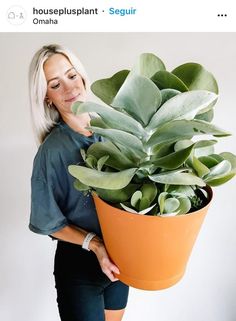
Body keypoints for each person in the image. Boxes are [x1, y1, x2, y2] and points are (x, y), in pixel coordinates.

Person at [28, 44, 129, 321]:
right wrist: (95, 244)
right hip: (80, 267)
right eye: (55, 84)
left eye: (72, 76)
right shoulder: (52, 152)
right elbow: (48, 221)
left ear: (82, 77)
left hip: (120, 259)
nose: (69, 88)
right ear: (47, 97)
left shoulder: (114, 131)